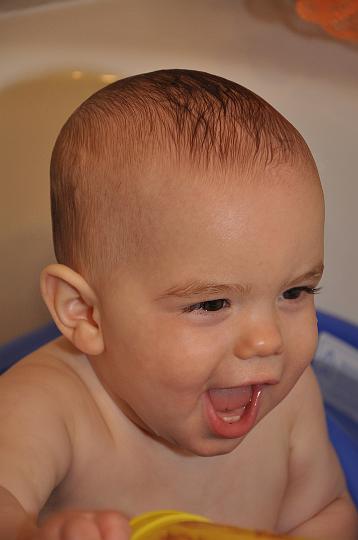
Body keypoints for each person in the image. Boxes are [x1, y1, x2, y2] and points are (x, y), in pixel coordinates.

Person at [0, 69, 356, 540]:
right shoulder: (49, 404)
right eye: (211, 303)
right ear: (84, 313)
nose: (268, 339)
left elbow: (327, 511)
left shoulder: (290, 399)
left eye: (294, 292)